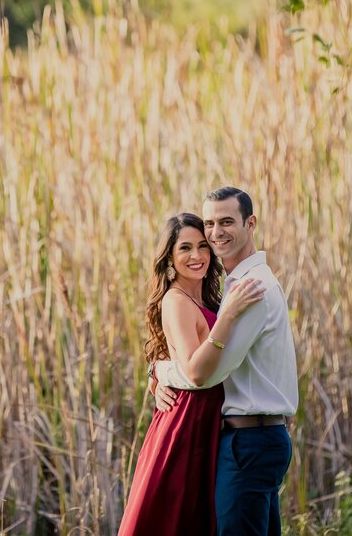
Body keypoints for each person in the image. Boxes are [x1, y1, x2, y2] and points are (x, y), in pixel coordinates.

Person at [153, 187, 299, 536]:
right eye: (210, 223)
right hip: (255, 439)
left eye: (227, 222)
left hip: (250, 443)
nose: (216, 232)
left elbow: (205, 374)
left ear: (251, 224)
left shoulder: (250, 289)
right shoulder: (239, 285)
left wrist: (161, 371)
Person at [119, 212, 265, 536]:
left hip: (208, 421)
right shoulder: (176, 300)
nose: (196, 256)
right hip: (187, 423)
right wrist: (227, 317)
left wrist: (155, 371)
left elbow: (172, 357)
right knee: (174, 517)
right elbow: (194, 370)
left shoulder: (207, 298)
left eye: (202, 246)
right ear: (169, 255)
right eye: (185, 248)